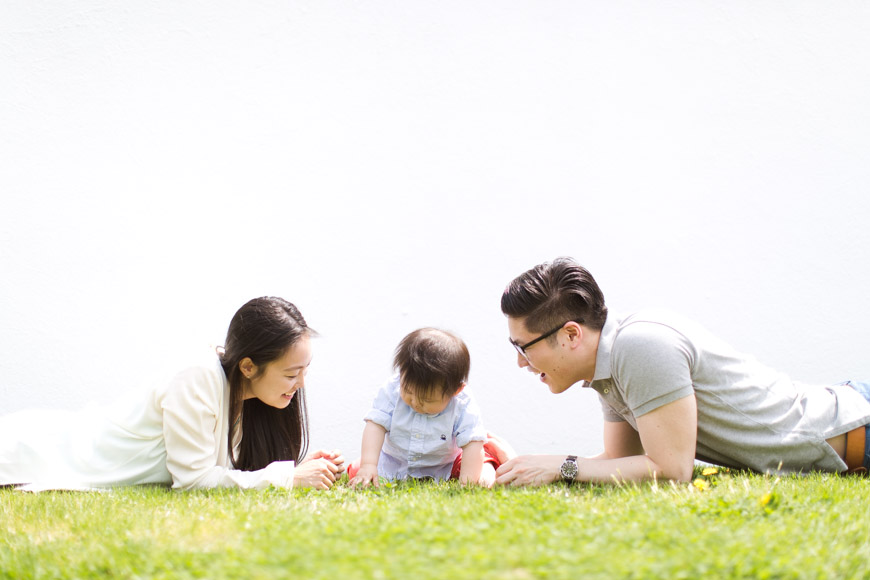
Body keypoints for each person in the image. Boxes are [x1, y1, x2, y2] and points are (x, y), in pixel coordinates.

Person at [494, 257, 870, 486]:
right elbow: (621, 459)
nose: (520, 362)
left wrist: (564, 467)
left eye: (522, 347)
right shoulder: (606, 365)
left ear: (571, 334)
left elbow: (672, 469)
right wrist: (534, 467)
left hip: (857, 430)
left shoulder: (639, 346)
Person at [0, 296, 344, 491]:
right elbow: (193, 481)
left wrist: (297, 469)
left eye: (305, 370)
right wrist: (288, 478)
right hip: (47, 450)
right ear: (249, 367)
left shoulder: (249, 400)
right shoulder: (197, 378)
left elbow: (229, 470)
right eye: (291, 373)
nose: (301, 383)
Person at [348, 328, 502, 487]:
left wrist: (467, 482)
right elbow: (375, 425)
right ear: (402, 371)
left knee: (478, 469)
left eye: (427, 400)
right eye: (407, 391)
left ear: (455, 391)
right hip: (396, 462)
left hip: (446, 465)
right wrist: (369, 465)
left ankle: (487, 470)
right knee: (357, 469)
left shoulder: (463, 404)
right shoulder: (391, 389)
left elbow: (472, 443)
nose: (415, 402)